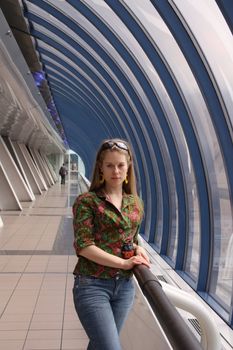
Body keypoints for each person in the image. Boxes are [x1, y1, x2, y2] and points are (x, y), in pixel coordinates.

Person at [72, 138, 150, 350]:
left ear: (128, 167)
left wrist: (137, 247)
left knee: (100, 346)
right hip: (92, 284)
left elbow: (129, 237)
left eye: (120, 165)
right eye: (110, 165)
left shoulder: (135, 203)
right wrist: (124, 264)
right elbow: (84, 245)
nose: (116, 170)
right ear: (100, 168)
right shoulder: (87, 201)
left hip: (124, 288)